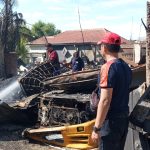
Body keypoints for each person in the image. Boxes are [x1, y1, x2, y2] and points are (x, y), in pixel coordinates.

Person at [91, 32, 132, 150]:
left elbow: (105, 100)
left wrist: (96, 128)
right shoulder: (126, 67)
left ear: (104, 47)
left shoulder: (107, 67)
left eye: (101, 46)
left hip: (110, 123)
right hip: (123, 120)